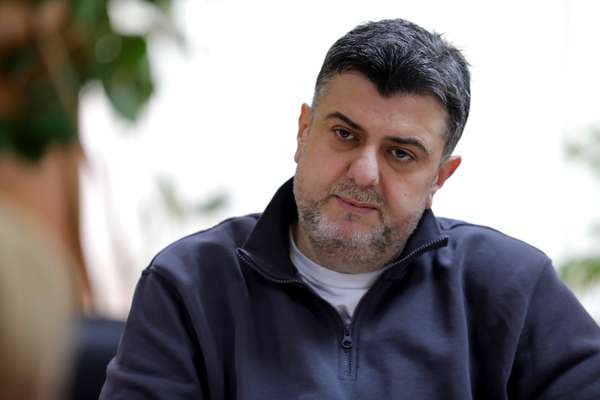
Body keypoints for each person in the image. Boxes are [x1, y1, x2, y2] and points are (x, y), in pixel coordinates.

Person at [100, 18, 600, 399]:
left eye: (400, 154)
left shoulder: (512, 285)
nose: (363, 173)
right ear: (303, 132)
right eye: (344, 134)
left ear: (439, 178)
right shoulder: (189, 284)